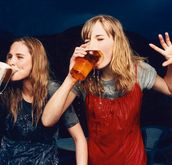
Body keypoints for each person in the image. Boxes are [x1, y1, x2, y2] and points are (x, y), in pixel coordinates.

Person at [42, 15, 172, 165]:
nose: (91, 45)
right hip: (97, 160)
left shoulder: (139, 71)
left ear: (117, 42)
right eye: (87, 40)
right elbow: (47, 120)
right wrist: (71, 77)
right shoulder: (85, 77)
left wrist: (171, 65)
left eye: (99, 38)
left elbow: (169, 89)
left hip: (133, 160)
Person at [0, 37, 87, 164]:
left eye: (19, 57)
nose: (12, 62)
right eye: (10, 56)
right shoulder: (6, 90)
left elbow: (79, 138)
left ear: (36, 61)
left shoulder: (53, 91)